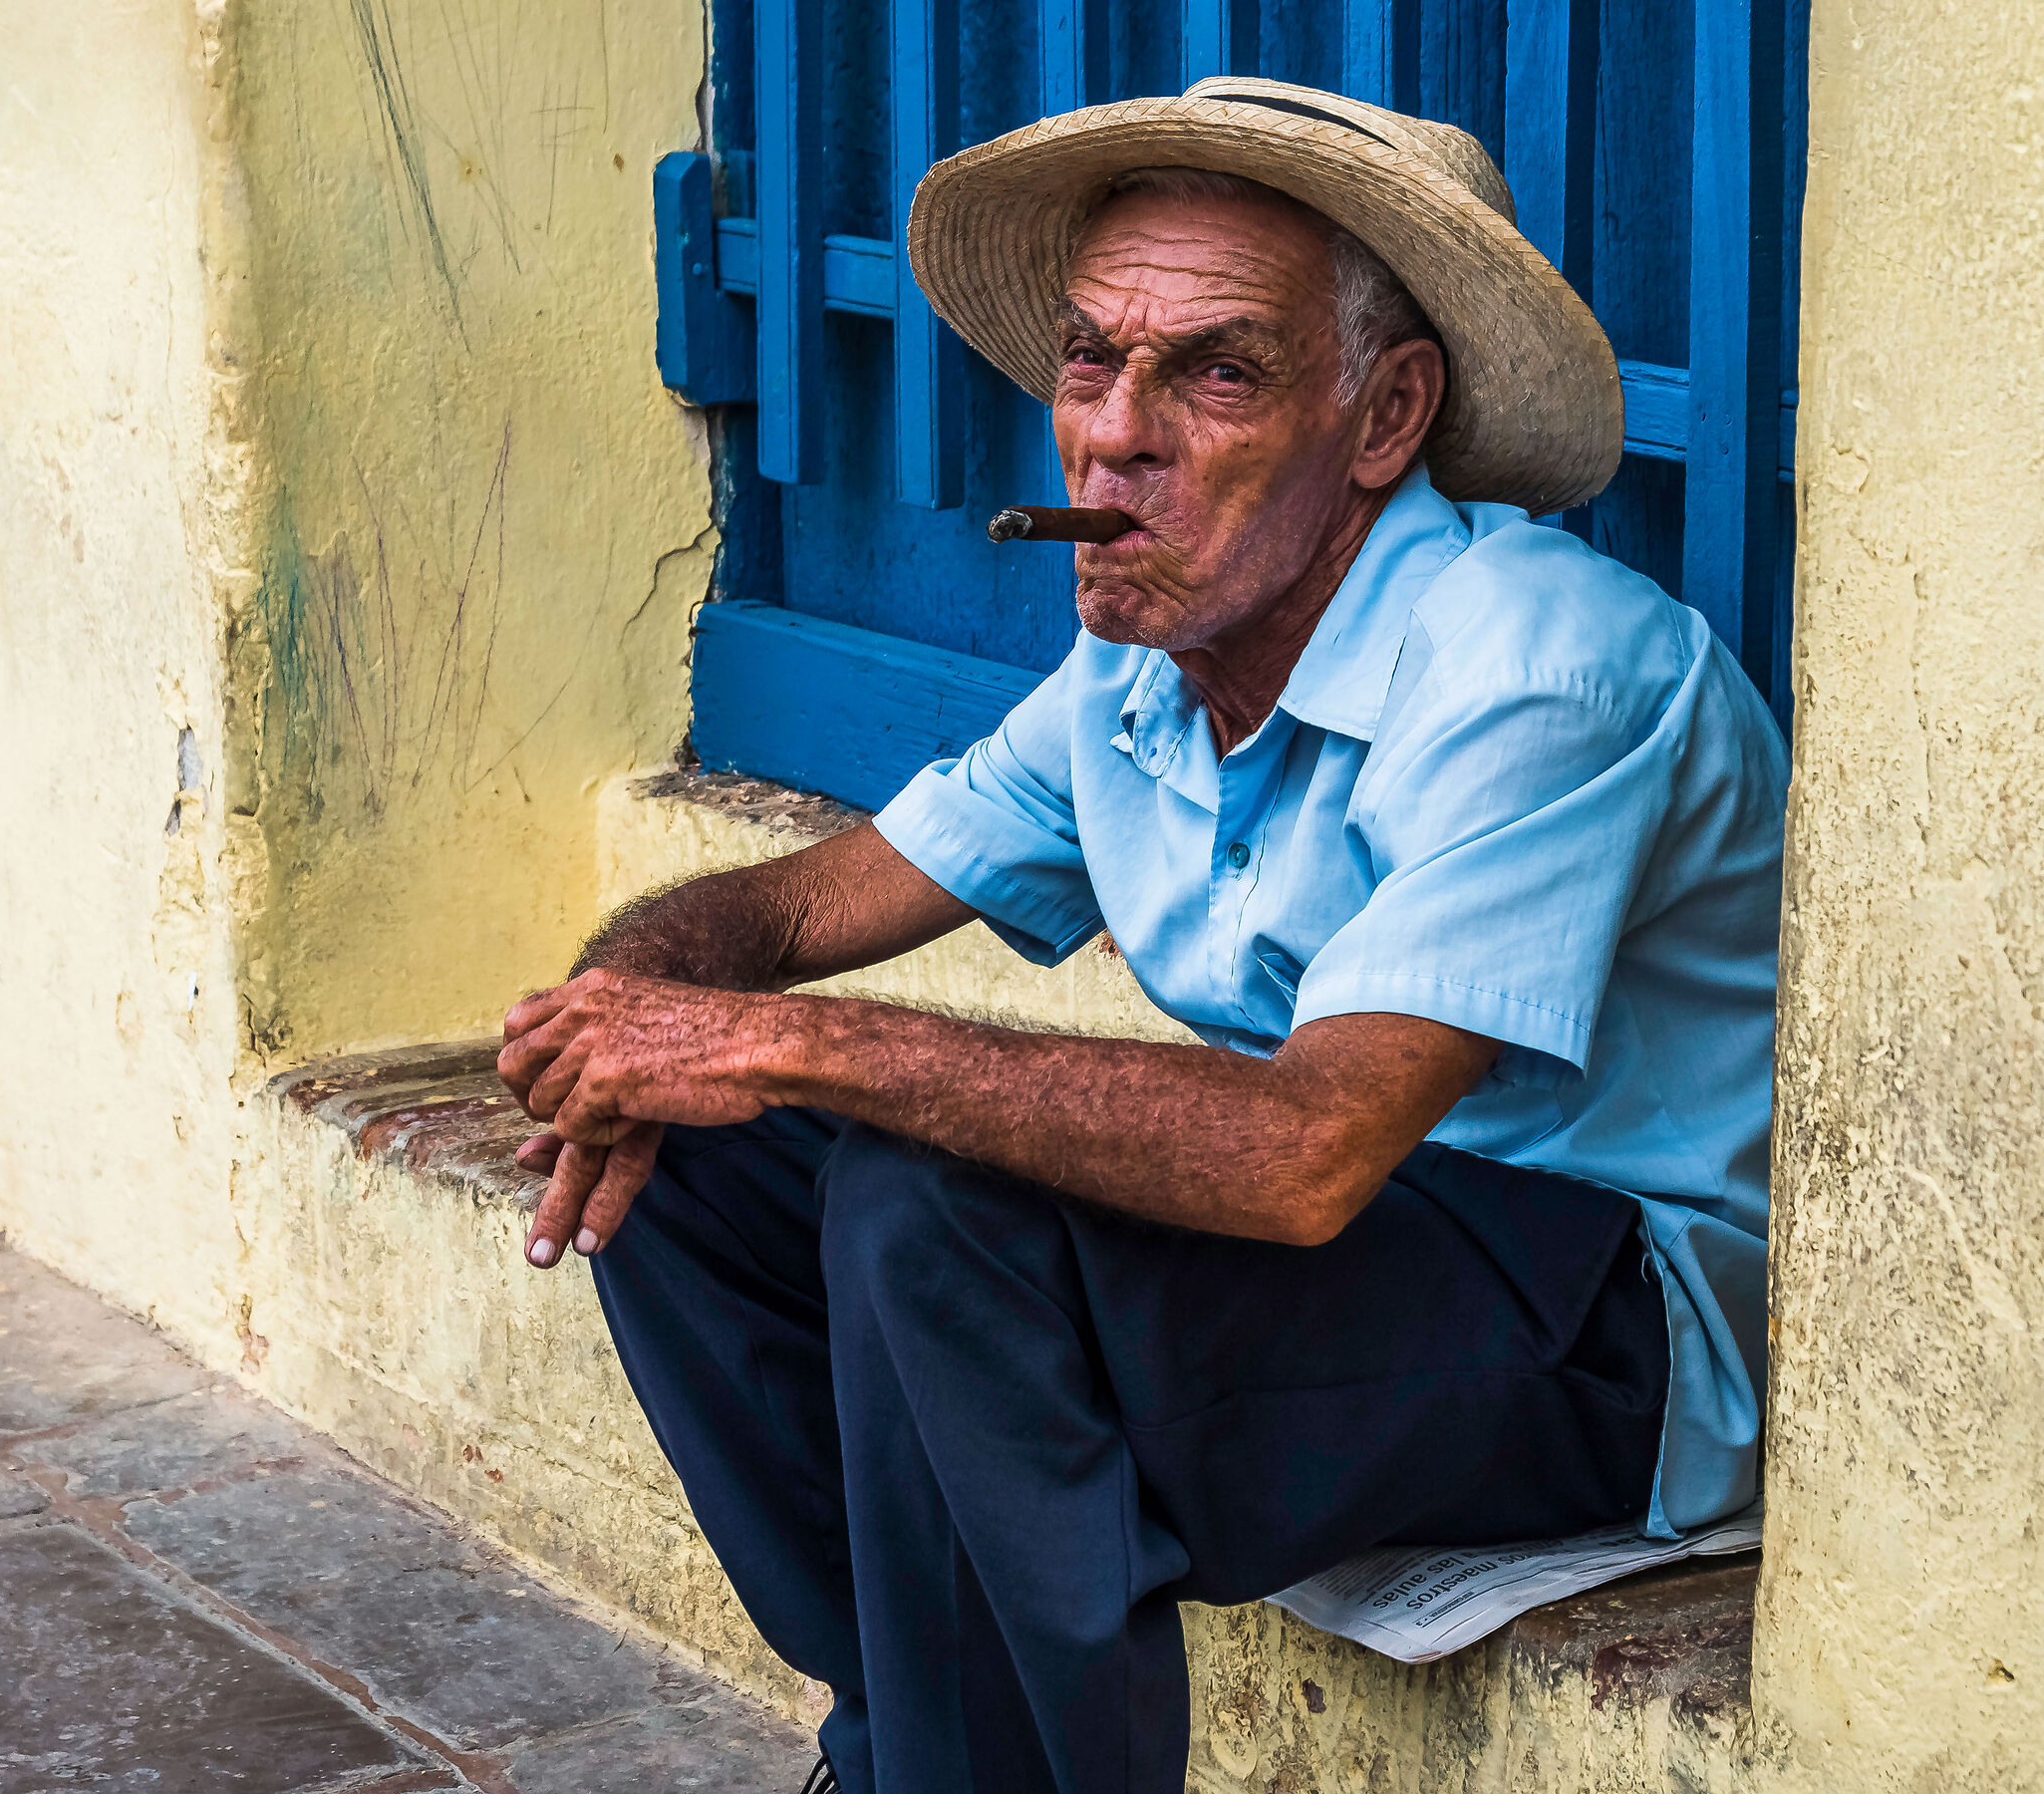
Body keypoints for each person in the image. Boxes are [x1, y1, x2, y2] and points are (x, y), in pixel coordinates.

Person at [497, 77, 1786, 1794]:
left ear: (1386, 417)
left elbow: (1307, 1157)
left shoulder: (1537, 663)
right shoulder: (1145, 667)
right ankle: (907, 1739)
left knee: (929, 1213)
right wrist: (635, 1002)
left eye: (1217, 374)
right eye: (1090, 360)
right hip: (1345, 1278)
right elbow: (804, 902)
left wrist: (792, 1040)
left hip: (1612, 1323)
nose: (1114, 436)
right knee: (705, 1161)